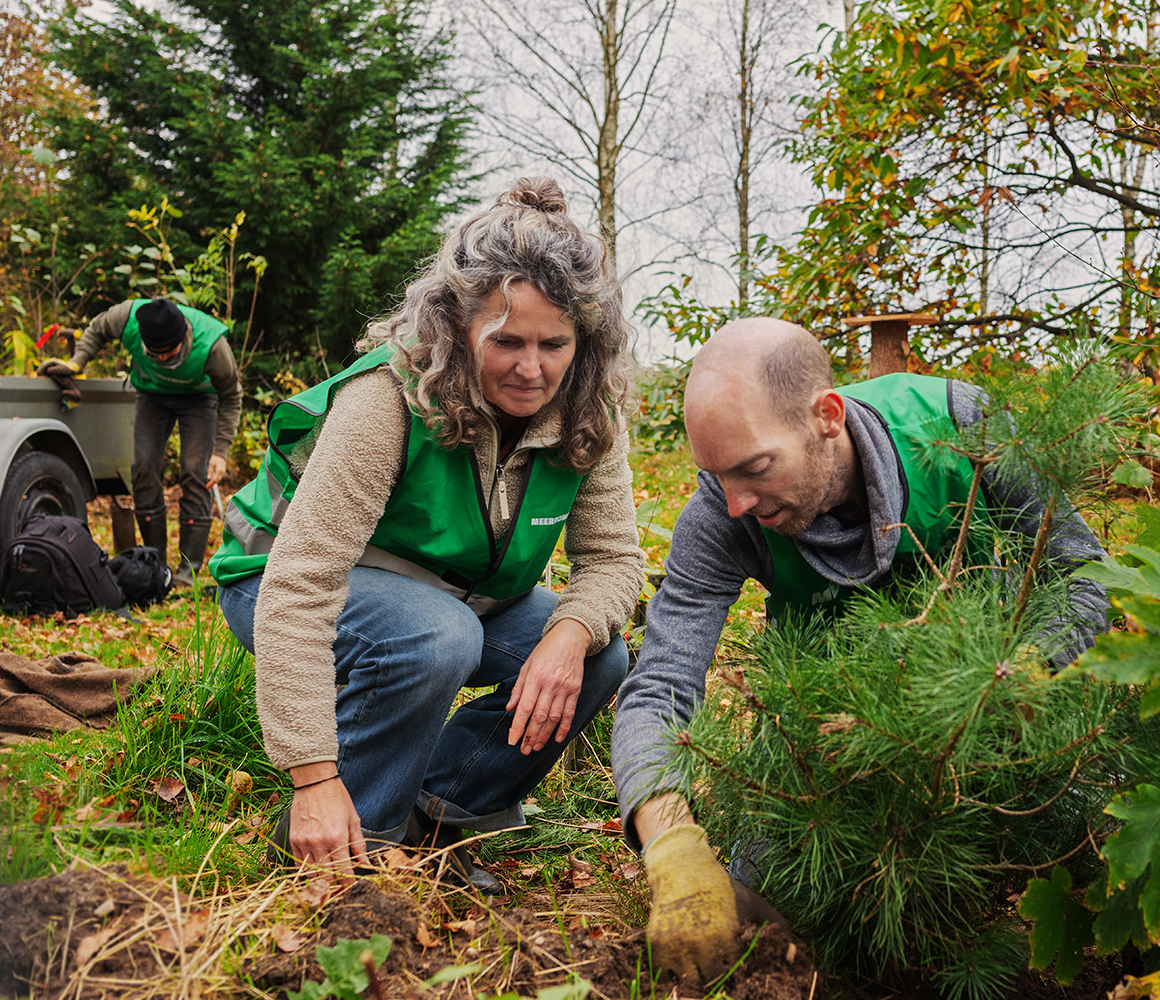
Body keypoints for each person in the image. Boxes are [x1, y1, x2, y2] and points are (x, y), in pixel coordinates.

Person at [612, 318, 1112, 981]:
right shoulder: (722, 515)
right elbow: (662, 680)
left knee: (1108, 844)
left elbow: (1084, 577)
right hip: (830, 770)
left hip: (1002, 736)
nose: (735, 503)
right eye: (717, 475)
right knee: (764, 919)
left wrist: (1021, 673)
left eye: (754, 469)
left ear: (827, 416)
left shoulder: (961, 426)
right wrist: (672, 843)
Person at [208, 178, 644, 889]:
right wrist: (312, 777)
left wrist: (569, 637)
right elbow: (300, 585)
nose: (531, 369)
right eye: (506, 342)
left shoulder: (588, 412)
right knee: (439, 635)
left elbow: (614, 560)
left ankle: (435, 819)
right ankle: (352, 847)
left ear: (585, 340)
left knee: (598, 654)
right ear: (458, 328)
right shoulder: (388, 399)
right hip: (275, 581)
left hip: (446, 597)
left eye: (554, 344)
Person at [38, 298, 242, 586]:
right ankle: (155, 566)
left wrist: (220, 452)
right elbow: (97, 329)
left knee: (196, 473)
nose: (163, 359)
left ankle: (188, 572)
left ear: (184, 336)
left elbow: (231, 397)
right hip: (151, 395)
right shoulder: (126, 318)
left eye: (169, 353)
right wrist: (77, 361)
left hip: (199, 400)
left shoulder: (212, 346)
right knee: (144, 469)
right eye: (156, 354)